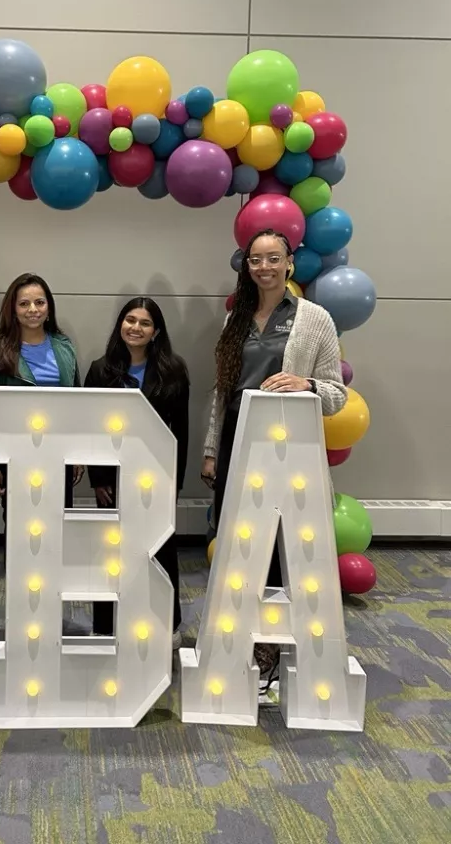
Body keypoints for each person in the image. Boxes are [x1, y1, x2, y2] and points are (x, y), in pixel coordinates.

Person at [202, 228, 346, 683]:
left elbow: (337, 395)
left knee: (284, 547)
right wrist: (211, 450)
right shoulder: (236, 320)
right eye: (255, 260)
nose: (263, 267)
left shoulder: (314, 318)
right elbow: (221, 392)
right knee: (241, 545)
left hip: (287, 447)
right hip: (237, 442)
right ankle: (240, 643)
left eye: (272, 259)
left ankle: (274, 651)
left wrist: (307, 385)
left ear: (289, 264)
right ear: (246, 267)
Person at [84, 297, 189, 648]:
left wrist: (175, 484)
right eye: (129, 320)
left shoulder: (174, 371)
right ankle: (105, 626)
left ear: (156, 331)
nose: (135, 328)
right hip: (113, 481)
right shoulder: (101, 370)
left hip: (156, 477)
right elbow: (91, 430)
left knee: (159, 552)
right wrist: (98, 481)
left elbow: (181, 433)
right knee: (110, 554)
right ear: (120, 325)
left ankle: (167, 624)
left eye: (144, 323)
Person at [0, 273, 82, 538]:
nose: (33, 310)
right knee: (20, 528)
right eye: (24, 304)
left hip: (60, 452)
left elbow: (78, 404)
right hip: (17, 454)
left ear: (49, 308)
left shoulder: (64, 347)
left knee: (60, 523)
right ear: (13, 309)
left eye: (39, 302)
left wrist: (79, 453)